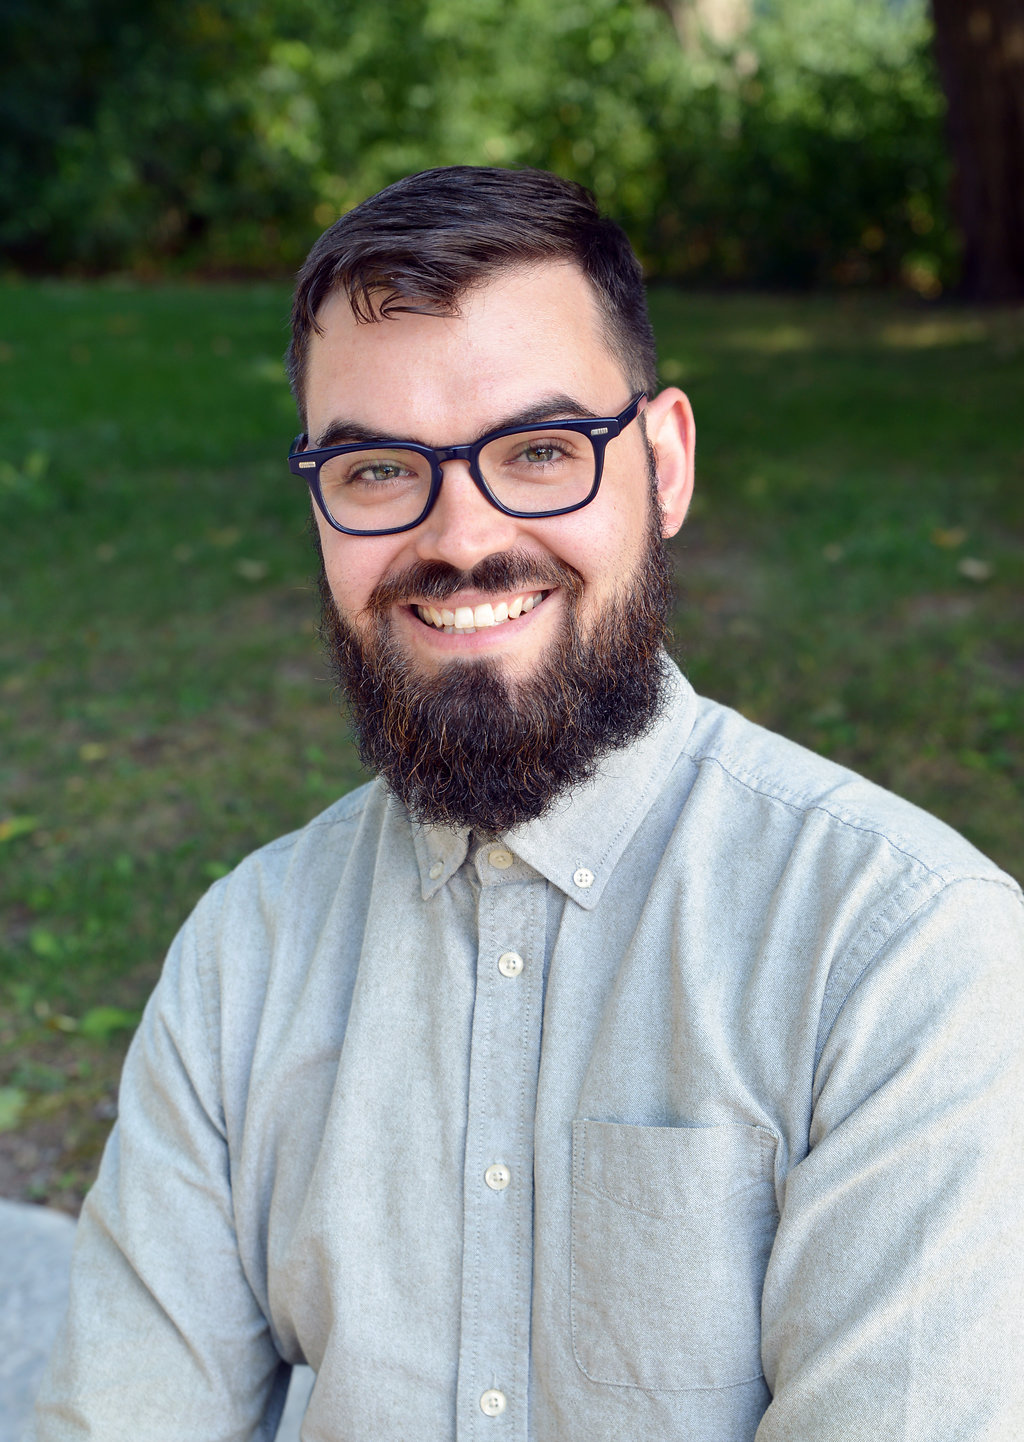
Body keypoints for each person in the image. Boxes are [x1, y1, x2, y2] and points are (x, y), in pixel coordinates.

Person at [33, 167, 1024, 1442]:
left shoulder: (900, 956)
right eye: (380, 466)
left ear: (662, 464)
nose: (460, 537)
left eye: (540, 451)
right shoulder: (246, 958)